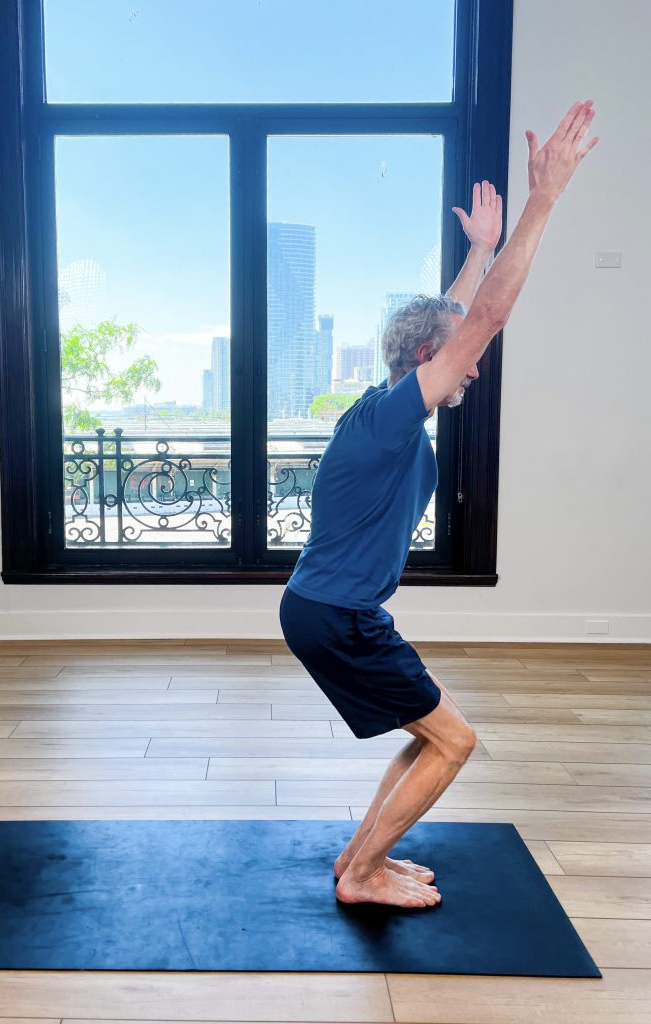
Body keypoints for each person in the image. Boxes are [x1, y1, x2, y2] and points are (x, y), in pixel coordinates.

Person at [279, 100, 599, 908]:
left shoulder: (380, 404)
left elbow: (449, 321)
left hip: (335, 608)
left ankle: (362, 857)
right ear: (429, 359)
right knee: (455, 742)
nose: (475, 368)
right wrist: (544, 200)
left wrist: (478, 250)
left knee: (429, 733)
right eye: (458, 358)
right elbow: (479, 323)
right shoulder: (393, 420)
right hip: (337, 613)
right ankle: (361, 878)